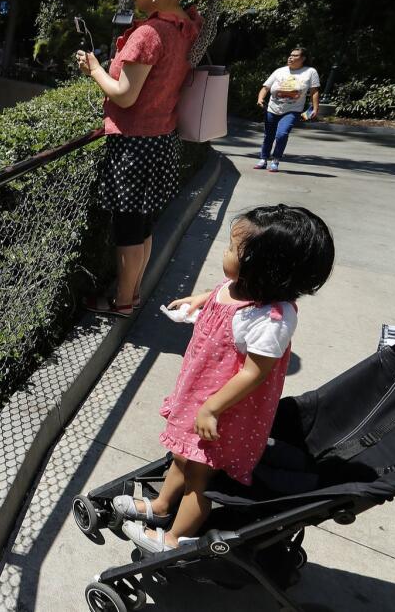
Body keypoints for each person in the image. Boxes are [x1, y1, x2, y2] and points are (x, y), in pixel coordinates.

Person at [114, 204, 335, 552]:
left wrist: (211, 409)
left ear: (266, 269)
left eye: (233, 249)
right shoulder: (241, 285)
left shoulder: (271, 318)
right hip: (200, 392)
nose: (225, 252)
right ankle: (160, 507)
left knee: (199, 476)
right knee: (183, 456)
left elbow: (255, 372)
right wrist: (199, 300)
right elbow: (218, 293)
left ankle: (174, 539)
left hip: (225, 409)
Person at [75, 0, 219, 317]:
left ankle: (123, 303)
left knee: (126, 229)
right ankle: (133, 294)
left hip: (133, 146)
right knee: (143, 224)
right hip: (161, 141)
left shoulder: (149, 34)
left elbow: (124, 96)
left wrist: (93, 68)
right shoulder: (186, 28)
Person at [257, 47, 320, 172]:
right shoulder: (280, 71)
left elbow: (314, 91)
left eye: (295, 55)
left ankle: (275, 160)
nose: (290, 57)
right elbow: (266, 87)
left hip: (292, 110)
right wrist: (260, 98)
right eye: (290, 55)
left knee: (282, 134)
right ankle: (263, 159)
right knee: (268, 135)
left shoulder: (310, 72)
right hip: (272, 108)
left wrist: (315, 108)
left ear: (303, 59)